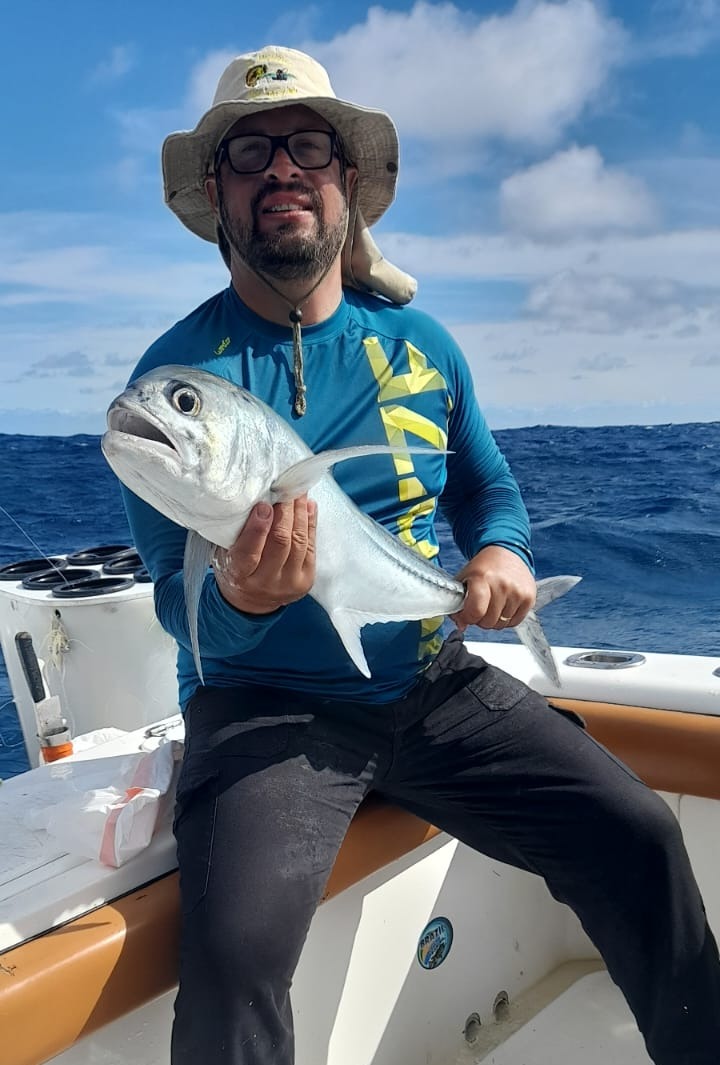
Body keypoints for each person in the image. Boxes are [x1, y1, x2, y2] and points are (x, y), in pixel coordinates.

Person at [121, 46, 720, 1065]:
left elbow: (489, 487)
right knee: (232, 959)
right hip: (265, 708)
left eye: (308, 147)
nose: (281, 171)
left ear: (348, 186)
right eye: (249, 152)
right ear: (215, 195)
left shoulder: (424, 349)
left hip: (431, 680)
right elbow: (181, 613)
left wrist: (502, 551)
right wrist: (243, 599)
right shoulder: (178, 382)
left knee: (641, 835)